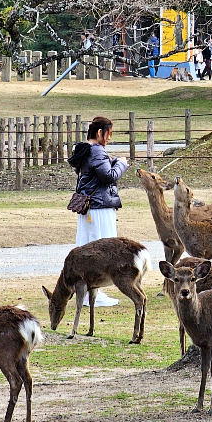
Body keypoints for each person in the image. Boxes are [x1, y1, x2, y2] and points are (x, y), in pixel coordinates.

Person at [68, 116, 130, 304]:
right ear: (99, 133)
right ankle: (95, 293)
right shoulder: (97, 152)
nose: (109, 138)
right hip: (99, 207)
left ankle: (86, 291)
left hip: (89, 208)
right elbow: (108, 177)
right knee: (101, 249)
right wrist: (121, 164)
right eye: (108, 134)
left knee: (88, 246)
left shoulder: (84, 151)